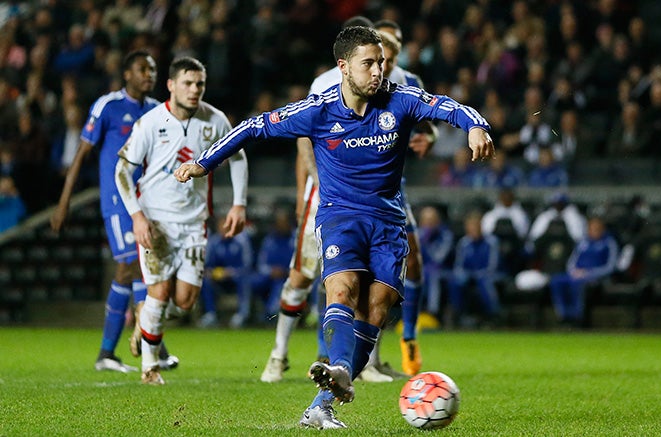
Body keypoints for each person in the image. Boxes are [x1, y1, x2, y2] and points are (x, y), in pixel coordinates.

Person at [174, 26, 494, 429]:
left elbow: (448, 106)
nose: (379, 70)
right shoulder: (318, 110)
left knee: (376, 308)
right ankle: (340, 369)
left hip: (388, 223)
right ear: (344, 67)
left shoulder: (400, 99)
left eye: (381, 62)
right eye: (369, 63)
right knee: (342, 290)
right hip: (340, 217)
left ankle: (323, 402)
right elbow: (254, 126)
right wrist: (204, 162)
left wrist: (476, 126)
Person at [259, 17, 435, 384]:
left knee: (384, 278)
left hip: (386, 194)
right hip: (330, 194)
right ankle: (280, 354)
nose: (387, 54)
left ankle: (368, 358)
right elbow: (303, 134)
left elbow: (427, 127)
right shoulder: (327, 83)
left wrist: (427, 140)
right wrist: (306, 188)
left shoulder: (407, 83)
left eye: (393, 47)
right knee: (307, 273)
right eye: (381, 46)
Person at [115, 56, 248, 385]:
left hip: (194, 223)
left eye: (199, 84)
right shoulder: (150, 122)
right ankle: (149, 368)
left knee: (186, 301)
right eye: (187, 83)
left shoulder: (214, 119)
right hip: (156, 221)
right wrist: (137, 217)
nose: (194, 90)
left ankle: (145, 323)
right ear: (171, 85)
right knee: (158, 292)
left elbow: (239, 156)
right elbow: (121, 169)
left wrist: (238, 204)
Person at [50, 50, 177, 373]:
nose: (149, 74)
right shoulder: (108, 106)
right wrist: (64, 202)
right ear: (127, 74)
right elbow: (81, 153)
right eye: (142, 69)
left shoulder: (157, 111)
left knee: (139, 270)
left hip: (149, 204)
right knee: (131, 265)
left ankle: (114, 352)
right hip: (119, 203)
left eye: (152, 69)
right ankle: (150, 345)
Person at [549, 216, 618, 325]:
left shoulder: (609, 243)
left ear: (602, 229)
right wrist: (574, 271)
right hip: (577, 274)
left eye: (597, 228)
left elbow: (610, 267)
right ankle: (563, 315)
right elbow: (571, 262)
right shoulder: (583, 242)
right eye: (592, 228)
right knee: (556, 281)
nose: (594, 231)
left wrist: (590, 273)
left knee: (577, 283)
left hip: (595, 277)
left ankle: (577, 317)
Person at [198, 215, 255, 329]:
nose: (224, 229)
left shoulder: (241, 241)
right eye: (222, 226)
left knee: (245, 280)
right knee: (204, 279)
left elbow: (248, 265)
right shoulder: (214, 242)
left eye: (227, 226)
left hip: (236, 278)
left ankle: (242, 314)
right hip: (219, 280)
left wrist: (231, 272)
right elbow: (207, 264)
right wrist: (212, 272)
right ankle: (210, 314)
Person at [447, 211, 502, 327]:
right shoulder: (464, 243)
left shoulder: (491, 242)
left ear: (481, 227)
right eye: (470, 227)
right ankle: (459, 314)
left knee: (484, 281)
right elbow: (459, 265)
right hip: (469, 274)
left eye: (476, 227)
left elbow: (493, 265)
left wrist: (479, 274)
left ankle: (493, 315)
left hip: (488, 274)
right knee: (455, 281)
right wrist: (463, 274)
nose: (473, 230)